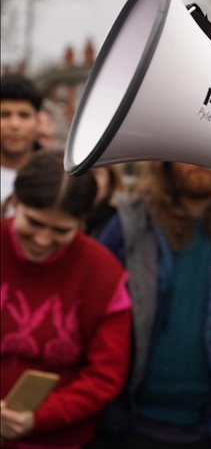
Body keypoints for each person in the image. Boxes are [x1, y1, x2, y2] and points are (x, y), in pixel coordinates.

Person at [93, 162, 211, 449]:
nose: (201, 163)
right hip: (128, 423)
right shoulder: (131, 224)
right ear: (167, 161)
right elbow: (92, 309)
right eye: (191, 152)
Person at [0, 149, 131, 448]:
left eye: (60, 230)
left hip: (61, 440)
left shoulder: (103, 273)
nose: (43, 240)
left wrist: (39, 417)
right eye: (33, 223)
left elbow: (105, 375)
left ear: (82, 221)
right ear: (15, 202)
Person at [0, 75, 42, 209]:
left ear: (38, 121)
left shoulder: (56, 177)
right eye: (4, 115)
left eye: (24, 115)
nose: (14, 124)